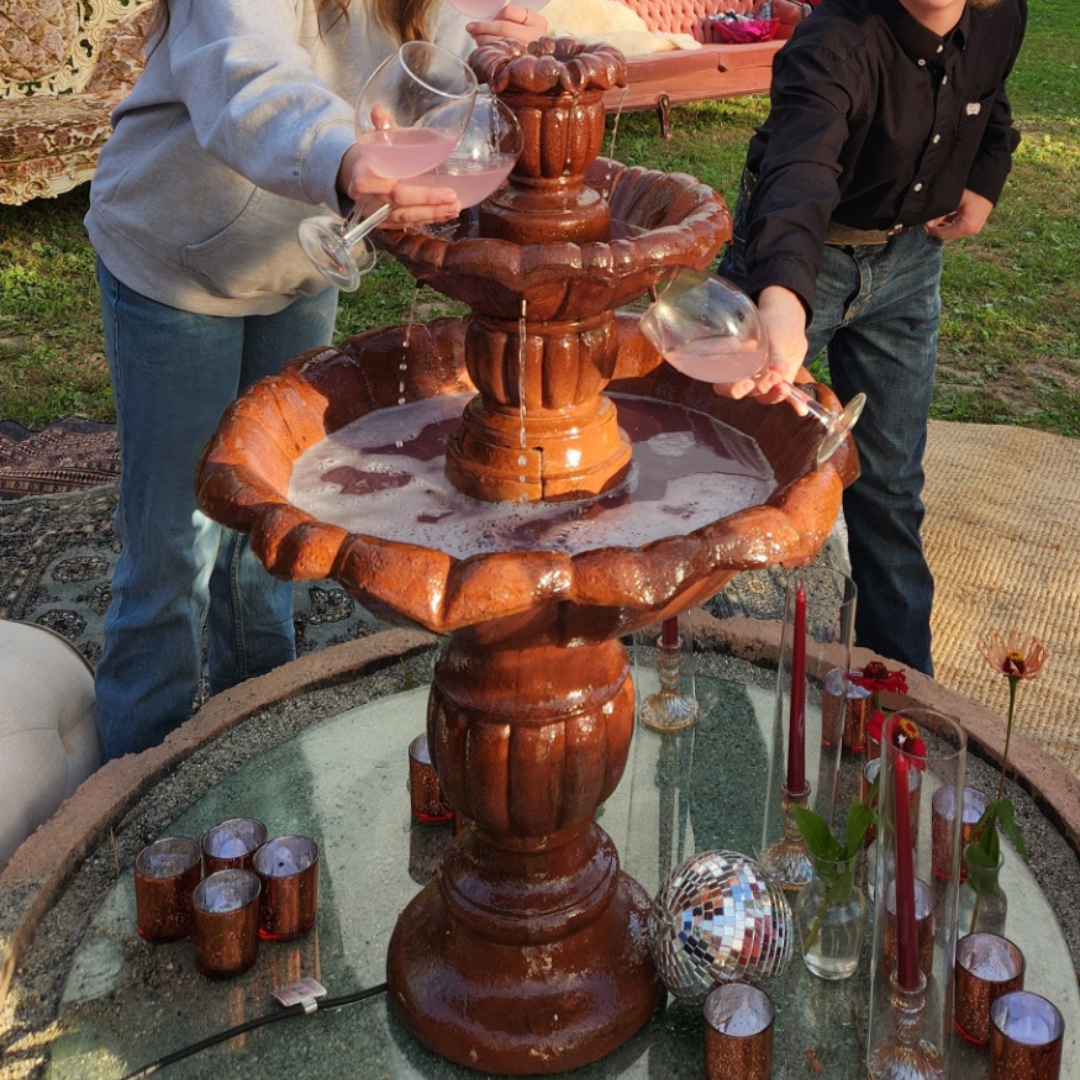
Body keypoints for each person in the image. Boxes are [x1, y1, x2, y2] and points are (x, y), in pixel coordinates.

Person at [86, 0, 546, 761]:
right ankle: (138, 808)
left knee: (274, 523)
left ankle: (257, 752)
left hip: (306, 258)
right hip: (174, 266)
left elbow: (448, 83)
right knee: (172, 546)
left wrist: (513, 60)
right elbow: (246, 71)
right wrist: (343, 157)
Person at [717, 0, 1026, 675]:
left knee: (890, 486)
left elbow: (989, 96)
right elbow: (798, 175)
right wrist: (782, 303)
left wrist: (984, 178)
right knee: (731, 472)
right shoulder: (834, 40)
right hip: (801, 259)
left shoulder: (1002, 16)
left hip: (909, 262)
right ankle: (707, 674)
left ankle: (899, 698)